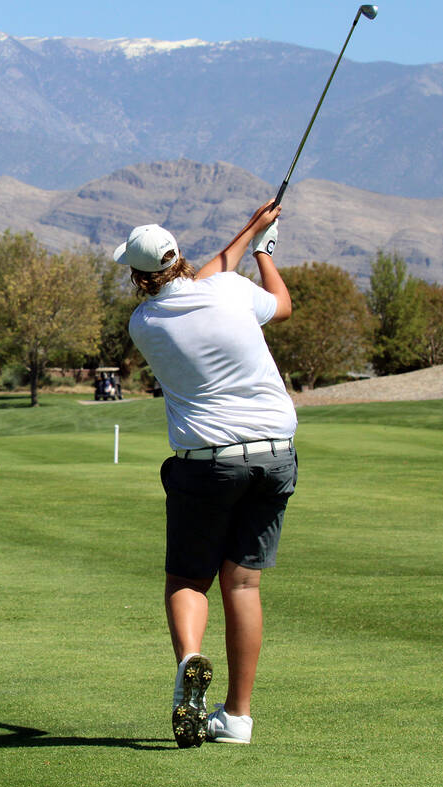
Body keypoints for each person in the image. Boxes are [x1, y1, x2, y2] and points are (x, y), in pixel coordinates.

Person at [115, 200, 296, 748]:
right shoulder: (230, 292)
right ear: (179, 258)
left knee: (190, 580)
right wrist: (263, 248)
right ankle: (237, 718)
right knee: (242, 582)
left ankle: (191, 663)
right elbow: (280, 305)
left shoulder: (144, 323)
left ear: (139, 278)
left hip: (208, 463)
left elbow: (209, 272)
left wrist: (250, 232)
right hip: (275, 452)